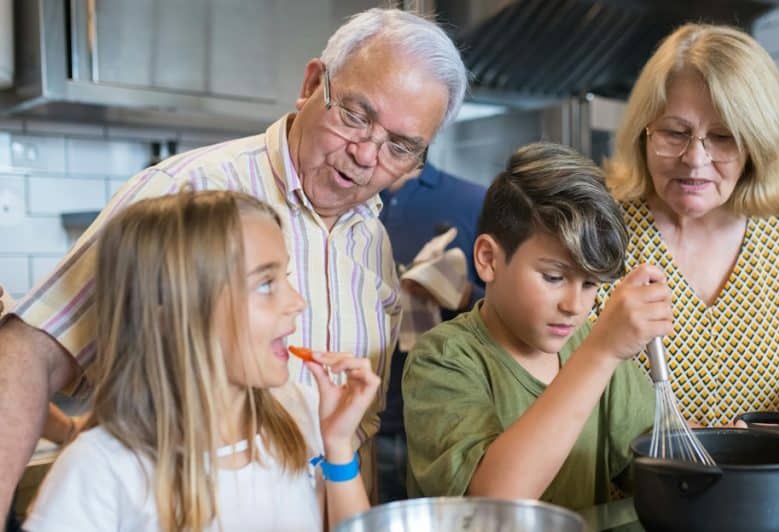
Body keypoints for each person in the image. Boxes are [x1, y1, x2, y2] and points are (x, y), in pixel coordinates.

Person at [0, 7, 467, 508]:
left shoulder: (370, 237)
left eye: (400, 146)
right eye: (356, 115)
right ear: (312, 84)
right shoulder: (186, 194)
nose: (368, 155)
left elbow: (352, 432)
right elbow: (30, 353)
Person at [24, 191, 380, 531]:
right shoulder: (100, 469)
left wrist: (338, 444)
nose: (297, 302)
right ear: (171, 314)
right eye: (266, 284)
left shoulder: (303, 413)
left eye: (284, 277)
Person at [595, 23, 779, 433]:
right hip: (639, 489)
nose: (695, 159)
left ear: (757, 146)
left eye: (723, 138)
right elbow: (552, 371)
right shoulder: (600, 229)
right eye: (675, 132)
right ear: (644, 131)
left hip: (769, 485)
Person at [402, 142, 673, 510]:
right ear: (488, 260)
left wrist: (724, 454)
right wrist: (600, 352)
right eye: (553, 277)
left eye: (591, 284)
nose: (574, 306)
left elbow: (660, 470)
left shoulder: (593, 351)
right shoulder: (444, 359)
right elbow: (493, 502)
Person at [375, 160, 486, 502]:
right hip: (354, 420)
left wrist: (463, 293)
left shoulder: (473, 201)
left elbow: (507, 306)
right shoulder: (347, 195)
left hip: (444, 420)